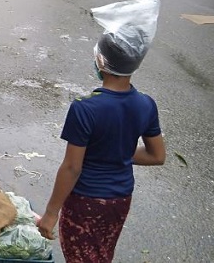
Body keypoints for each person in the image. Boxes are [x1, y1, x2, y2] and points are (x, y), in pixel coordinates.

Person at [37, 16, 165, 261]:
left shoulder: (85, 108)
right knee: (102, 254)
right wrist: (116, 151)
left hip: (86, 201)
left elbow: (73, 167)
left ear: (101, 60)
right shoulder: (146, 104)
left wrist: (51, 213)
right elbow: (157, 155)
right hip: (120, 200)